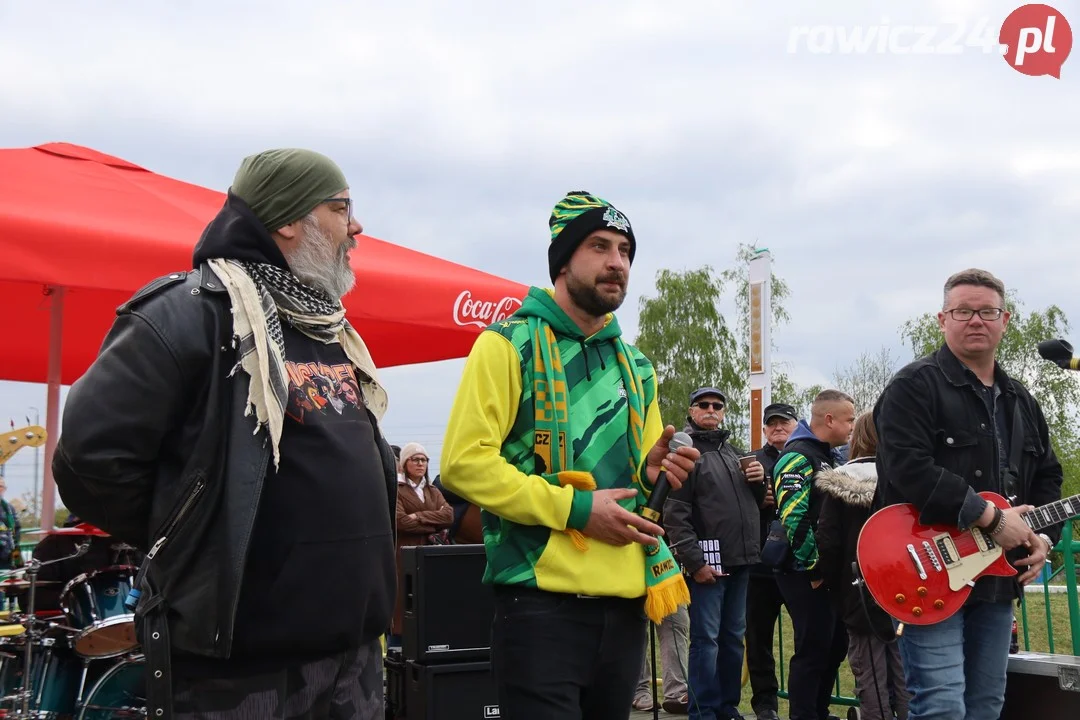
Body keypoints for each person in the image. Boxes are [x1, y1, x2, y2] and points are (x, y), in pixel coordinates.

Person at [52, 148, 397, 720]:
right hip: (244, 669)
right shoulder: (189, 314)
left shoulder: (324, 325)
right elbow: (90, 459)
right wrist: (195, 534)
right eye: (340, 208)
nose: (356, 227)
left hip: (352, 658)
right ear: (287, 220)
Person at [440, 190, 699, 719]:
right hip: (538, 603)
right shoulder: (505, 344)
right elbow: (464, 464)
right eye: (599, 246)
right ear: (562, 260)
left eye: (626, 250)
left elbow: (635, 483)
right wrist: (577, 509)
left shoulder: (639, 367)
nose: (616, 263)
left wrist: (653, 474)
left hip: (626, 603)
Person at [874, 268, 1063, 720]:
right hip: (926, 571)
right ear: (942, 319)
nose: (975, 320)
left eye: (987, 311)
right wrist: (993, 519)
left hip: (997, 578)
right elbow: (908, 468)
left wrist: (1043, 540)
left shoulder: (1021, 400)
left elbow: (1048, 479)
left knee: (986, 705)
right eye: (963, 311)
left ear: (1006, 319)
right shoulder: (912, 387)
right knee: (940, 704)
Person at [664, 386, 766, 720]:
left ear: (723, 411)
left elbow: (756, 508)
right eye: (703, 404)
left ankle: (727, 708)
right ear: (691, 411)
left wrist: (759, 484)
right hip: (708, 565)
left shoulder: (736, 454)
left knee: (734, 640)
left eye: (717, 405)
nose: (711, 409)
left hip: (741, 562)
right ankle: (703, 711)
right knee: (706, 641)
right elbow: (675, 514)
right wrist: (695, 562)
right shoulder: (686, 455)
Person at [816, 412, 910, 720]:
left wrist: (830, 581)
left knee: (868, 667)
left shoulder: (840, 481)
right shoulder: (907, 479)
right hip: (910, 582)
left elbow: (828, 540)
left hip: (860, 586)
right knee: (904, 664)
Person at [773, 389, 855, 720]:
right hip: (802, 571)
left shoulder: (828, 455)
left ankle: (819, 711)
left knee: (834, 646)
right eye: (849, 419)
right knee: (812, 650)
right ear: (829, 419)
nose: (852, 426)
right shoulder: (798, 455)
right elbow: (794, 516)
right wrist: (814, 567)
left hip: (826, 573)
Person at [746, 402, 798, 720]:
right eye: (772, 423)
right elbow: (734, 508)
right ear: (764, 429)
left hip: (799, 564)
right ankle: (765, 703)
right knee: (758, 636)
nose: (777, 427)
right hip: (760, 564)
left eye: (784, 422)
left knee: (810, 636)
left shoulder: (806, 456)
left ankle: (806, 702)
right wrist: (757, 501)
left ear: (796, 424)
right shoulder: (751, 461)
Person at [390, 442, 453, 647]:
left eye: (424, 460)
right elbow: (400, 522)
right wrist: (432, 523)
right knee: (402, 609)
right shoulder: (396, 489)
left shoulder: (432, 491)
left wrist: (419, 516)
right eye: (415, 459)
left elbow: (449, 516)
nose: (420, 464)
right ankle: (396, 653)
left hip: (429, 557)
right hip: (403, 557)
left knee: (428, 607)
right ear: (405, 462)